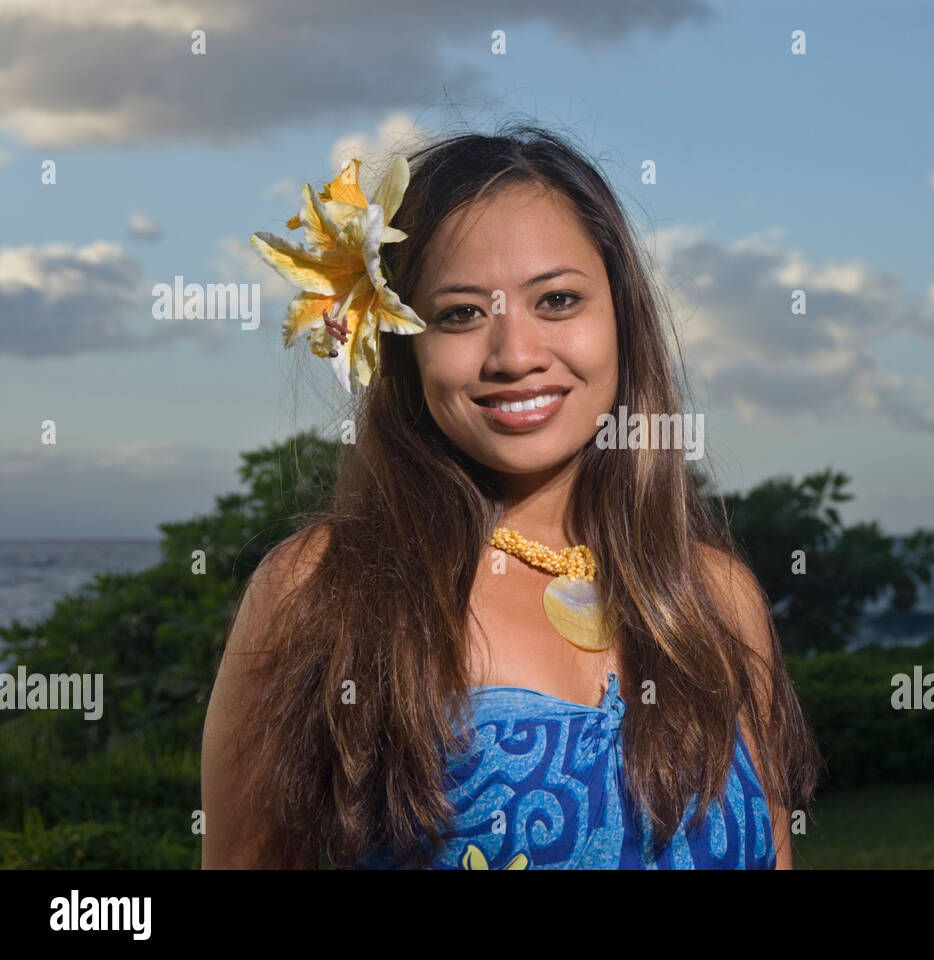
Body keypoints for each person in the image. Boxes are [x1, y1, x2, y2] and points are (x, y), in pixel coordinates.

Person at [201, 124, 821, 869]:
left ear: (621, 316)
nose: (516, 355)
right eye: (461, 313)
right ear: (402, 343)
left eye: (557, 300)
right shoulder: (323, 590)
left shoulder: (714, 599)